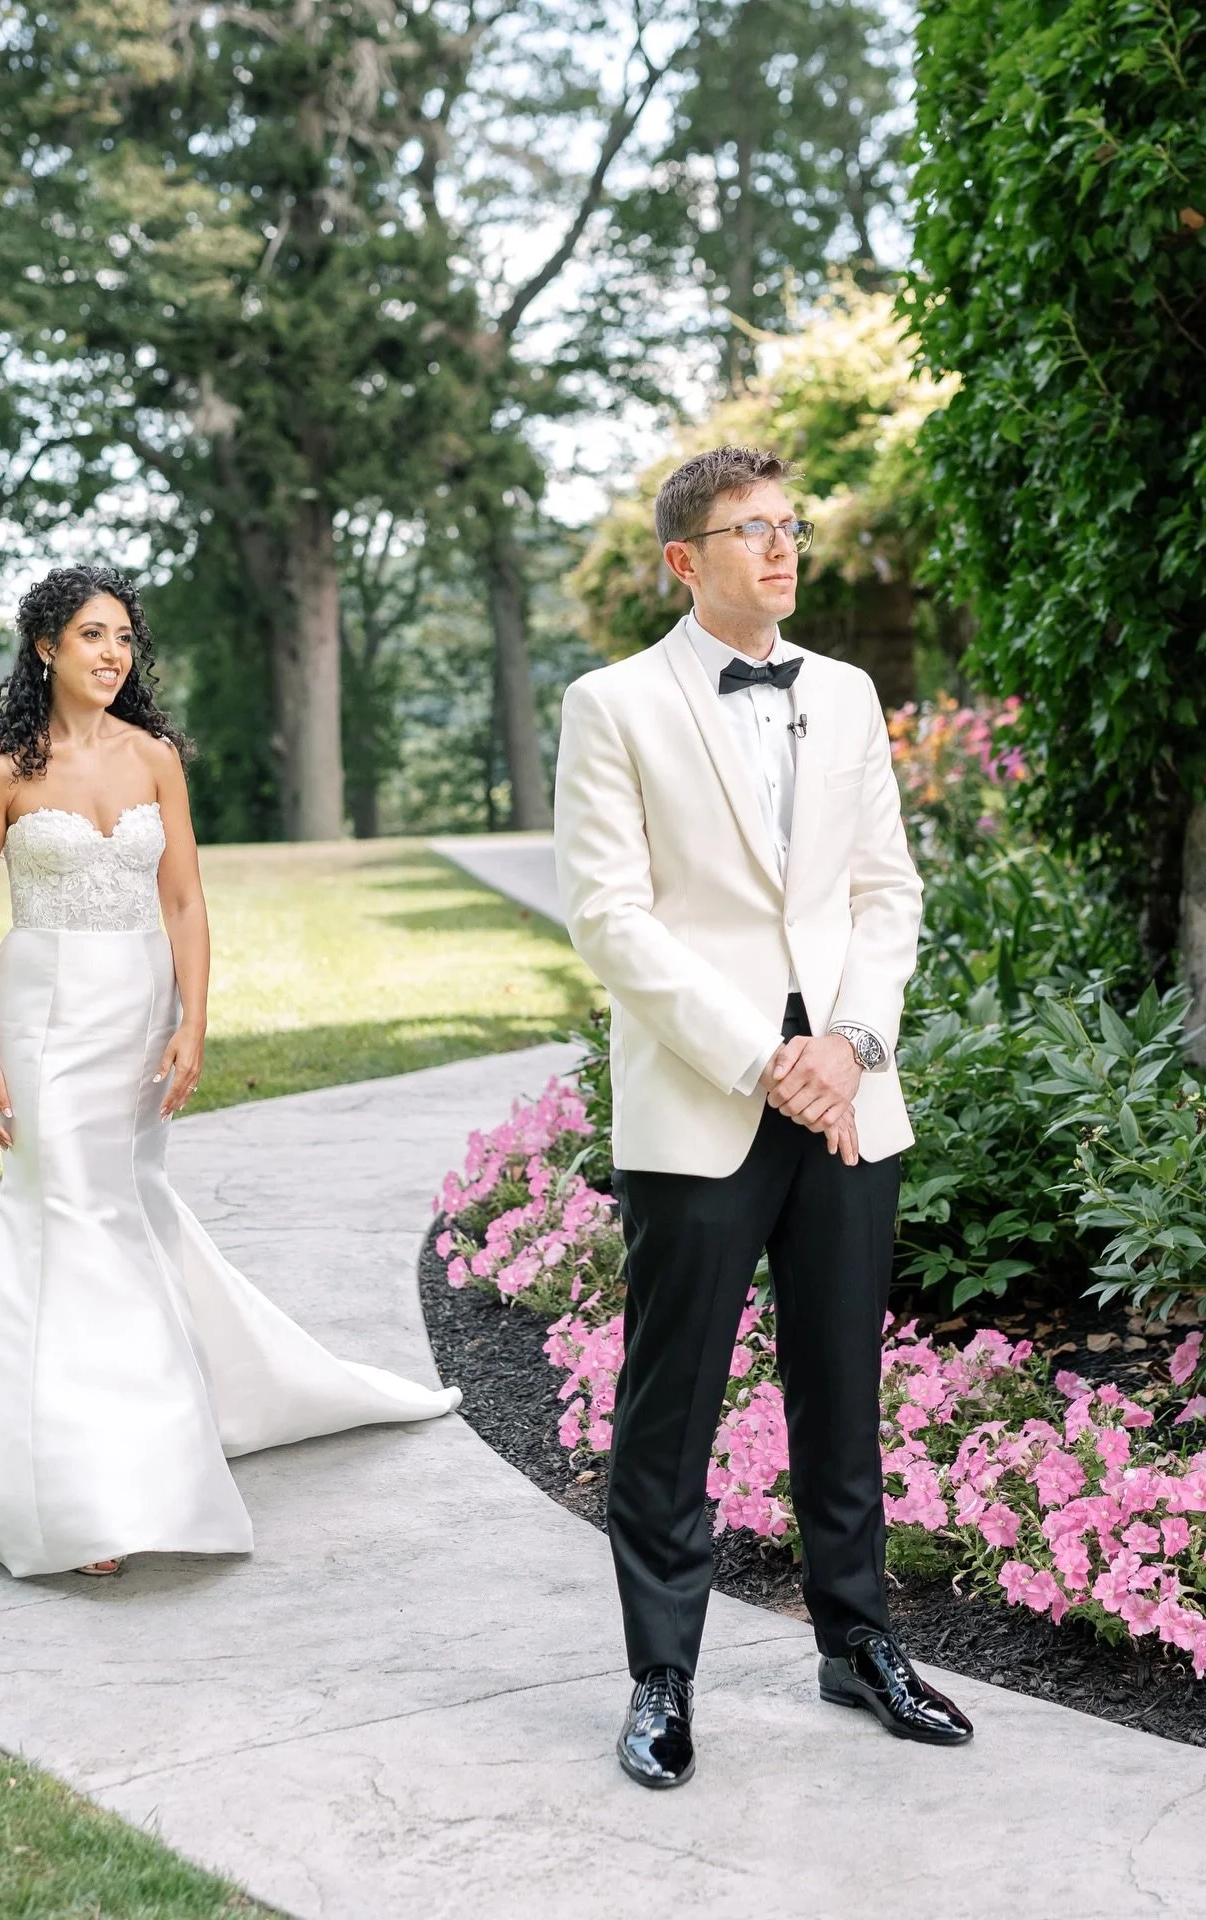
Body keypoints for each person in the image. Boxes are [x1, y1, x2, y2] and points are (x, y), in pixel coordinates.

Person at [0, 565, 458, 1579]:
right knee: (72, 1218)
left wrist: (194, 1021)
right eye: (92, 635)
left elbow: (183, 900)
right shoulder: (3, 768)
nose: (112, 654)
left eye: (125, 638)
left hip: (141, 1013)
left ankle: (81, 1411)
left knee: (120, 1210)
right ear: (44, 646)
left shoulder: (156, 759)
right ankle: (90, 1490)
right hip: (42, 1015)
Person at [553, 446, 972, 1788]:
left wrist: (848, 1046)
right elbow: (611, 919)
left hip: (850, 1097)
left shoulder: (846, 695)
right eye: (749, 531)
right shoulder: (611, 704)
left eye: (788, 527)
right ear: (687, 560)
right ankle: (660, 1681)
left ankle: (859, 1649)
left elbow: (884, 892)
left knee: (843, 1386)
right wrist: (765, 1056)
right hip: (703, 1098)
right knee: (669, 1404)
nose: (781, 550)